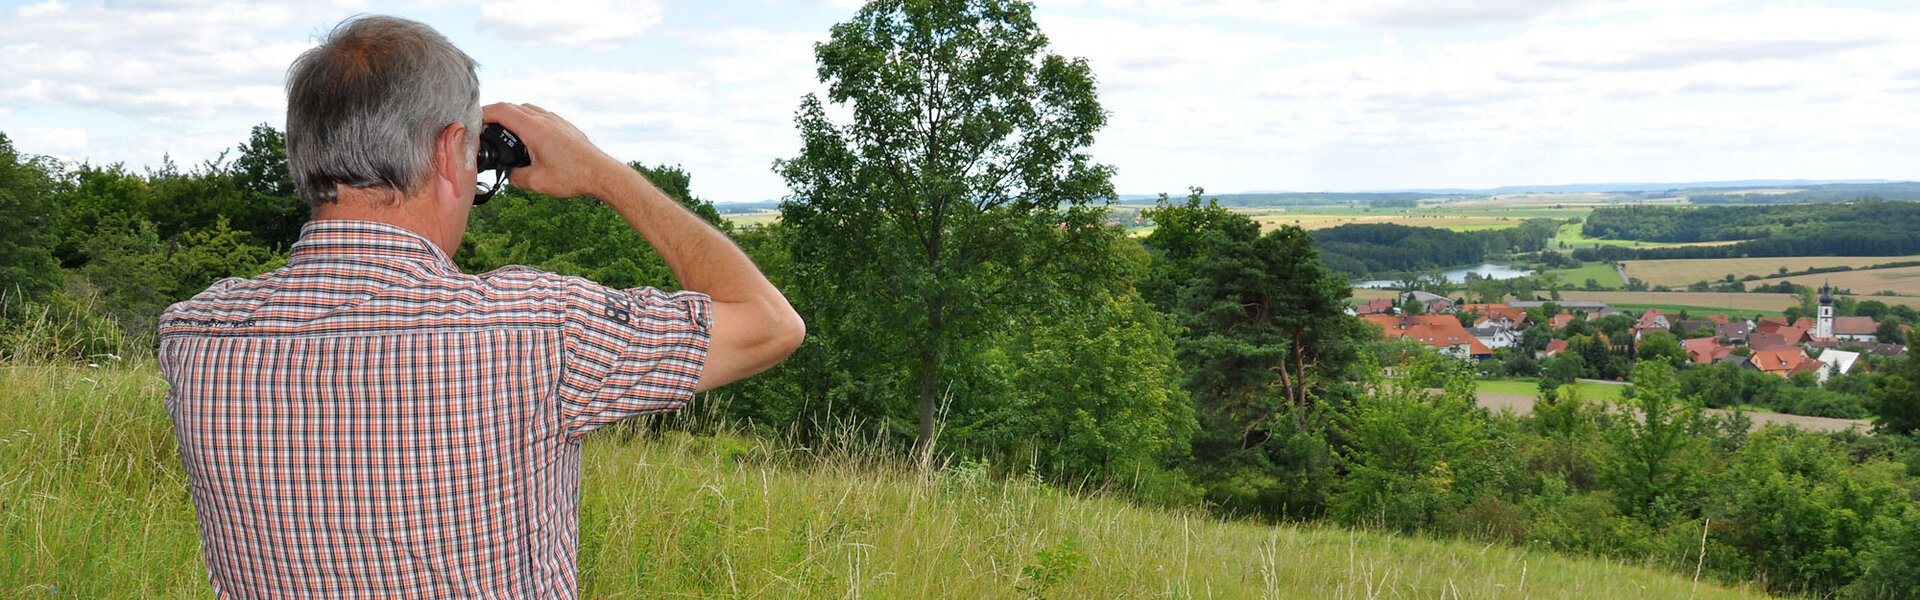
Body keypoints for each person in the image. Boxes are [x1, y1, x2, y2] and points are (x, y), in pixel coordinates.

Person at [156, 15, 804, 598]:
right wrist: (604, 172)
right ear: (448, 152)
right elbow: (769, 323)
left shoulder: (195, 336)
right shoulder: (535, 330)